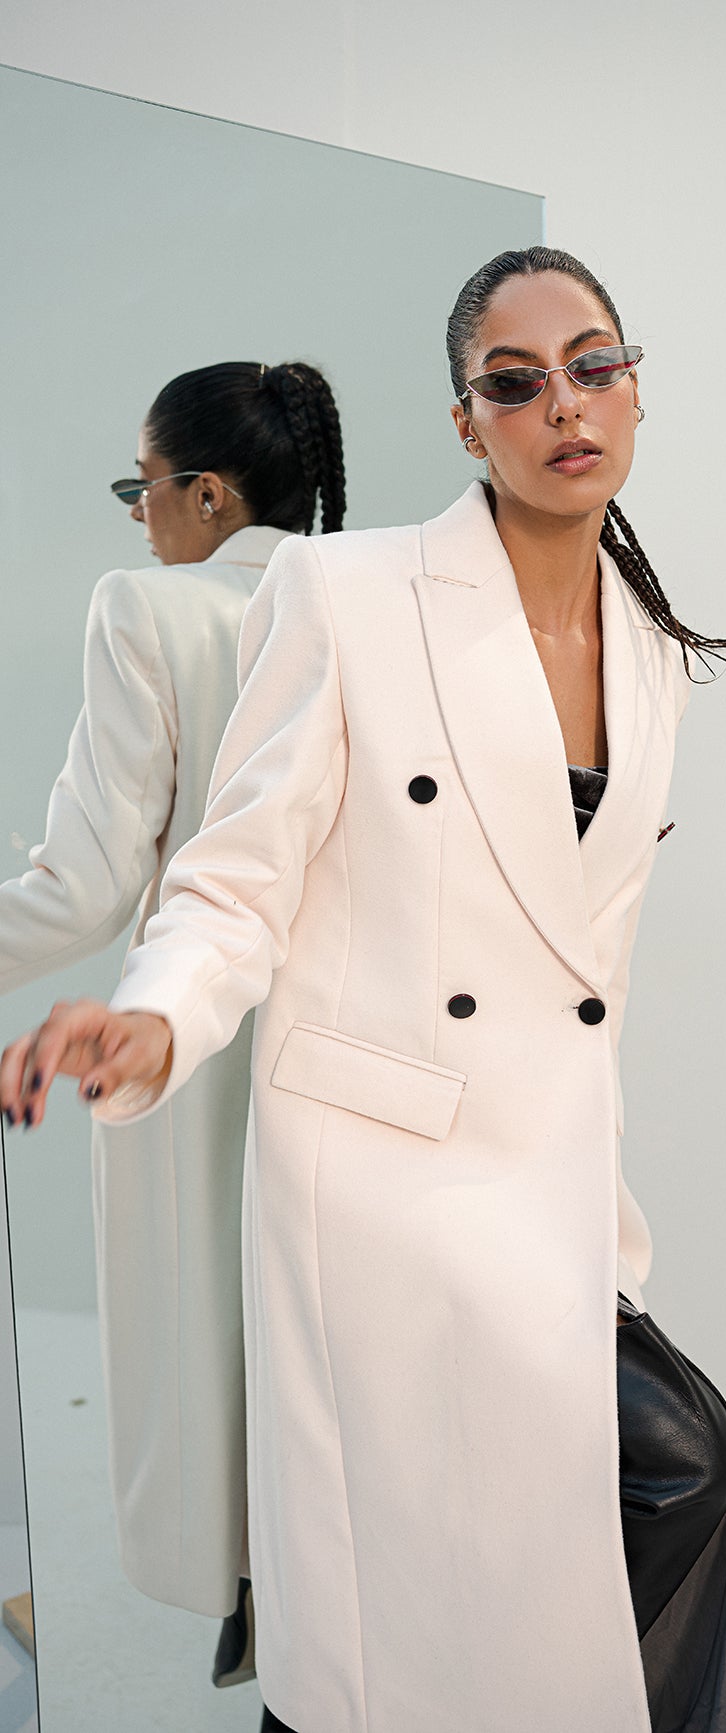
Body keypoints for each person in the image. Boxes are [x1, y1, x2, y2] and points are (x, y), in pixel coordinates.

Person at [1, 250, 726, 1733]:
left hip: (548, 1181)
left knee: (597, 1531)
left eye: (593, 364)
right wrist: (160, 1013)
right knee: (404, 1608)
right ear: (466, 421)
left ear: (635, 387)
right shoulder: (348, 590)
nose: (563, 403)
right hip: (382, 1180)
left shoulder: (653, 654)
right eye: (515, 380)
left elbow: (587, 972)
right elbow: (238, 872)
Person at [0, 360, 346, 1683]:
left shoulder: (150, 607)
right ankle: (313, 1615)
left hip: (183, 1030)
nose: (137, 515)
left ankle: (238, 1594)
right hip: (338, 1031)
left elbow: (85, 885)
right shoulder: (360, 602)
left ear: (207, 493)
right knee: (320, 1334)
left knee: (195, 1336)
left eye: (141, 487)